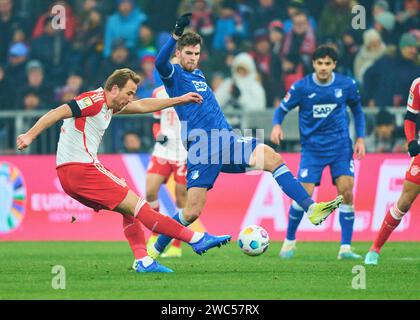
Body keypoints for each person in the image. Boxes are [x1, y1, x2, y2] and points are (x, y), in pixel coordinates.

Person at [149, 14, 344, 259]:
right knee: (191, 212)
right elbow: (159, 63)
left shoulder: (199, 75)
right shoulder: (174, 75)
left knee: (272, 158)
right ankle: (155, 250)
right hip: (203, 147)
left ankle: (311, 208)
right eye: (188, 53)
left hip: (228, 140)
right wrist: (176, 33)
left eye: (197, 54)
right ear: (178, 53)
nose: (193, 58)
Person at [16, 68, 231, 273]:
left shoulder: (109, 106)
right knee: (140, 207)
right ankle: (197, 239)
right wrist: (29, 135)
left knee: (129, 210)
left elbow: (142, 106)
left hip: (70, 175)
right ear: (114, 89)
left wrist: (178, 100)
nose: (130, 98)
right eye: (129, 93)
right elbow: (58, 111)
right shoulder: (95, 100)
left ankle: (143, 260)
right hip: (81, 169)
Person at [271, 45, 366, 260]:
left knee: (347, 191)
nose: (323, 68)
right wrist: (277, 125)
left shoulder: (347, 85)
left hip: (340, 147)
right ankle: (289, 241)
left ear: (334, 65)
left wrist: (360, 137)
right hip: (312, 149)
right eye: (320, 63)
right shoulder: (301, 88)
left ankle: (345, 248)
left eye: (328, 64)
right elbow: (281, 110)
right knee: (303, 194)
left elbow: (358, 111)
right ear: (313, 64)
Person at [365, 77, 420, 265]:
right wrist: (412, 141)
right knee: (404, 202)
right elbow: (410, 118)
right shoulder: (417, 85)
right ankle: (375, 248)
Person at [146, 83, 189, 258]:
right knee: (150, 192)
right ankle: (155, 234)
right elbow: (155, 123)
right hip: (163, 150)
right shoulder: (158, 92)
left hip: (184, 153)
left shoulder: (191, 90)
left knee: (181, 199)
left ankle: (176, 245)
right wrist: (158, 135)